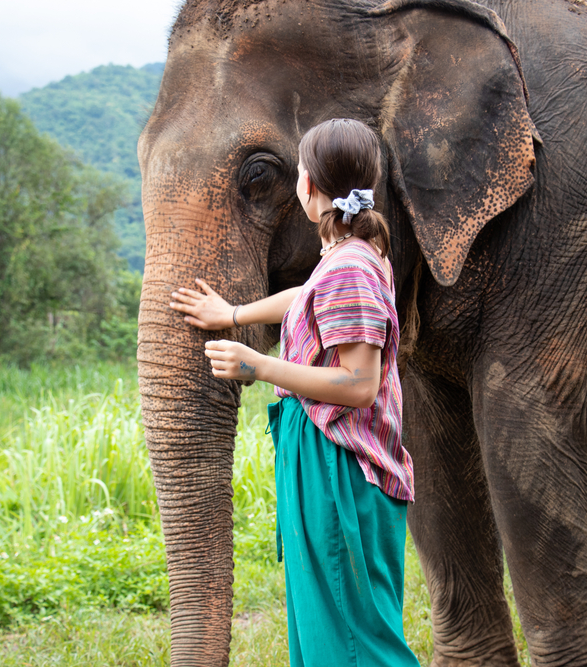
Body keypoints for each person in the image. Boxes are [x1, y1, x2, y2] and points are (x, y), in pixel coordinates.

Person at [169, 118, 419, 667]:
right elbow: (305, 297)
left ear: (307, 186)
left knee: (354, 645)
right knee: (329, 633)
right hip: (328, 461)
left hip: (340, 468)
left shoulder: (351, 266)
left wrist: (261, 366)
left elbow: (359, 385)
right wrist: (232, 313)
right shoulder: (352, 256)